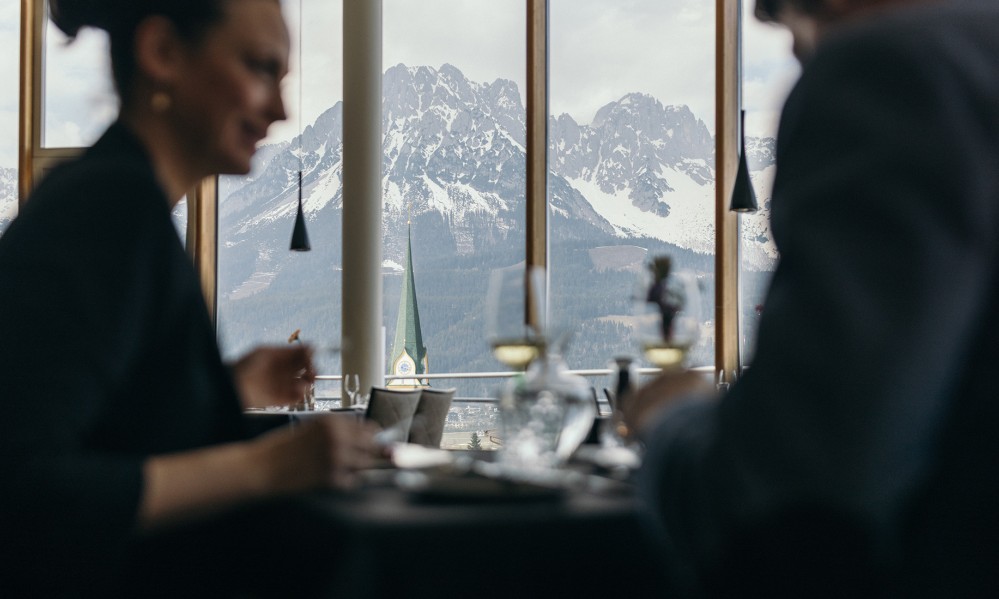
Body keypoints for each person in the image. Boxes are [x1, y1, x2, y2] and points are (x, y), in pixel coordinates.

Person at [0, 0, 377, 595]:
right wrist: (270, 466)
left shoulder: (122, 199)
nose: (280, 111)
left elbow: (106, 432)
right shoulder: (109, 209)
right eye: (259, 68)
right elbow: (21, 491)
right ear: (163, 54)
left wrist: (224, 389)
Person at [626, 0, 999, 596]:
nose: (793, 48)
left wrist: (666, 418)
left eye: (782, 13)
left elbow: (785, 507)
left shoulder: (903, 69)